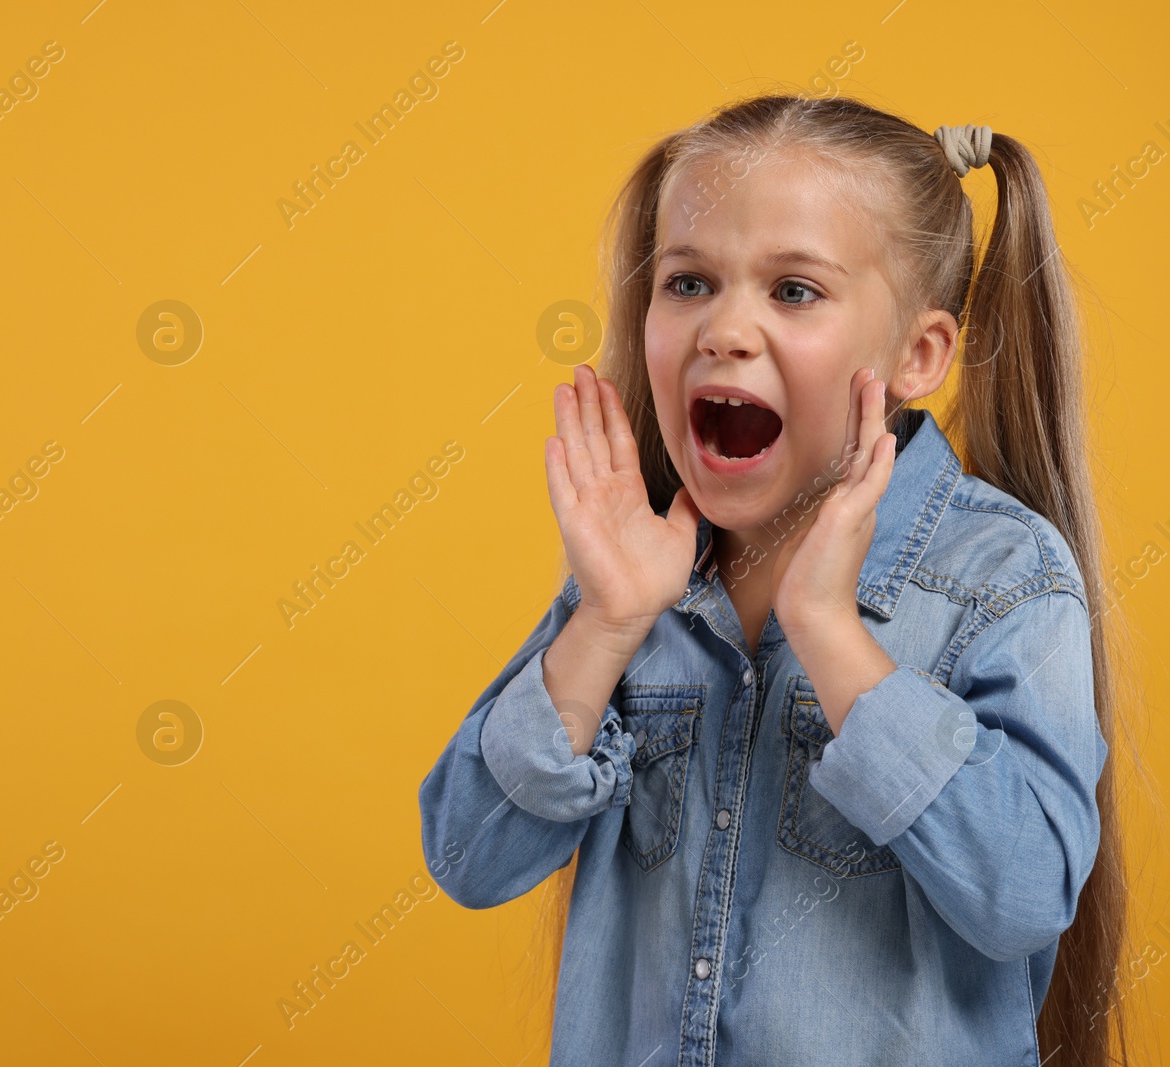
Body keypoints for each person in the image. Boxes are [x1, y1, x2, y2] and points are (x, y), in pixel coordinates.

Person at [417, 93, 1130, 1066]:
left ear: (917, 354)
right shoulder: (637, 582)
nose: (723, 328)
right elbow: (469, 853)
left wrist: (830, 632)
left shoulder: (997, 576)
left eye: (792, 290)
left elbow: (1019, 892)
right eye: (688, 282)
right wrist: (606, 622)